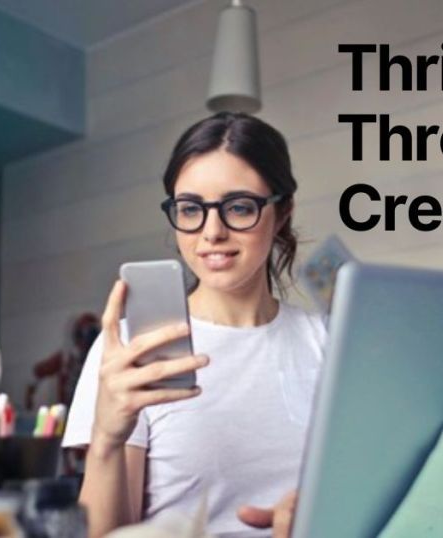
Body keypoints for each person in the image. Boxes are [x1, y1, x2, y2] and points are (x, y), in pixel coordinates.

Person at [62, 112, 326, 538]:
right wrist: (107, 440)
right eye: (191, 209)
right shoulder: (132, 350)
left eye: (239, 207)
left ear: (282, 214)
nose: (212, 231)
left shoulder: (330, 341)